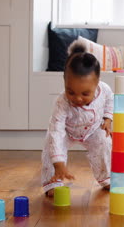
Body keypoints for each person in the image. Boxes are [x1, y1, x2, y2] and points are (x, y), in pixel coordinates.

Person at [41, 40, 113, 196]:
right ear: (65, 82)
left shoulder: (105, 90)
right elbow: (56, 132)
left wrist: (107, 119)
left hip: (93, 130)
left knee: (104, 140)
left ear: (97, 84)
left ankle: (106, 177)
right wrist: (58, 163)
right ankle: (53, 181)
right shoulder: (62, 103)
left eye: (85, 94)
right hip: (67, 132)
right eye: (71, 92)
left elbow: (109, 100)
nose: (78, 99)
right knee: (49, 145)